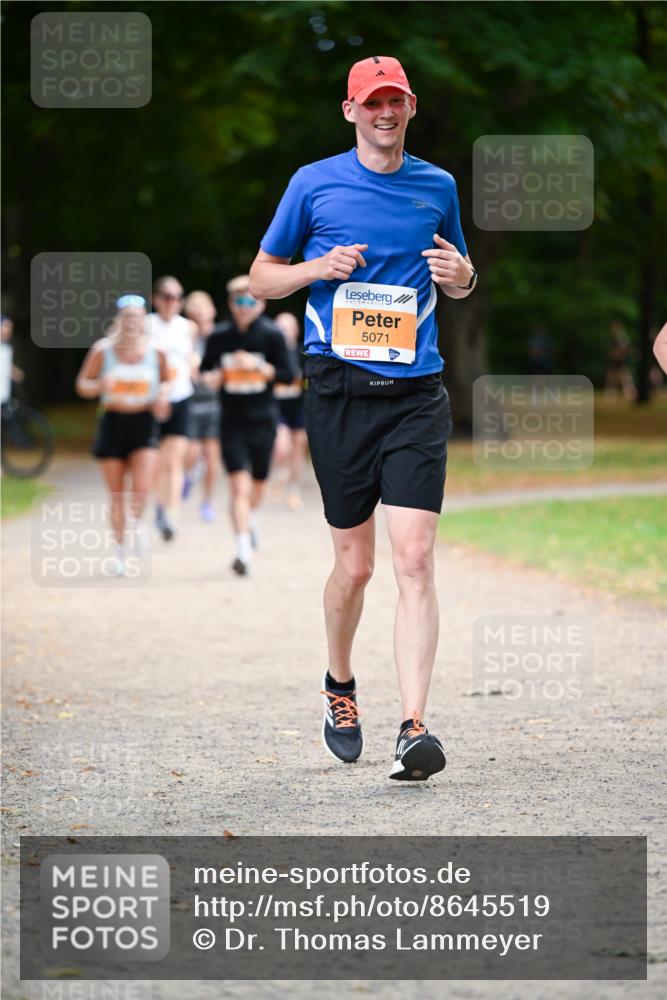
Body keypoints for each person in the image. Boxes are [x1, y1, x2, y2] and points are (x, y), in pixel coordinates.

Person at [249, 55, 477, 781]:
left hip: (416, 392)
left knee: (414, 559)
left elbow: (461, 273)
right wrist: (315, 270)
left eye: (397, 101)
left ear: (410, 107)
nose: (385, 112)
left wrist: (462, 278)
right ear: (350, 110)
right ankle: (339, 687)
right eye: (372, 102)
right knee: (356, 565)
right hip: (339, 390)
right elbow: (260, 278)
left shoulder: (436, 185)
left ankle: (413, 727)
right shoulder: (312, 184)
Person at [199, 275, 293, 576]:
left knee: (258, 485)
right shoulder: (219, 337)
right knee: (238, 485)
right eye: (239, 301)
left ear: (261, 303)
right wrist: (213, 378)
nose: (244, 307)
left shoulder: (271, 335)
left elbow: (288, 375)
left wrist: (258, 367)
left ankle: (250, 519)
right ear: (230, 304)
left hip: (263, 419)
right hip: (231, 421)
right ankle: (242, 550)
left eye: (250, 301)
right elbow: (204, 372)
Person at [75, 295, 170, 574]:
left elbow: (167, 382)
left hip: (144, 423)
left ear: (144, 320)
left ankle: (137, 523)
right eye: (127, 316)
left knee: (140, 489)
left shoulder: (157, 351)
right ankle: (118, 552)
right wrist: (98, 386)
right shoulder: (102, 350)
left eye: (137, 316)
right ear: (119, 319)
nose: (132, 322)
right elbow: (82, 384)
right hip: (113, 423)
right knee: (117, 494)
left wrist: (162, 397)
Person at [147, 276, 198, 541]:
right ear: (156, 299)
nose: (172, 302)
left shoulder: (188, 327)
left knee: (174, 460)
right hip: (152, 400)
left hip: (181, 396)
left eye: (177, 297)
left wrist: (195, 366)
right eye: (167, 297)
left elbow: (191, 358)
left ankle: (171, 516)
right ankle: (160, 503)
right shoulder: (145, 325)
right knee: (156, 461)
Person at [182, 291, 222, 522]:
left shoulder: (221, 334)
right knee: (191, 452)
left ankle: (207, 501)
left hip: (216, 401)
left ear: (212, 310)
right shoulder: (185, 334)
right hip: (191, 398)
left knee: (212, 454)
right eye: (193, 307)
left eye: (202, 306)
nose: (198, 311)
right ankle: (190, 473)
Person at [271, 312, 308, 509]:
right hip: (277, 407)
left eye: (287, 327)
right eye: (280, 327)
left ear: (296, 330)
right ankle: (280, 472)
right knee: (281, 446)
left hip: (299, 407)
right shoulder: (272, 353)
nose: (283, 332)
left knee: (298, 448)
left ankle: (294, 490)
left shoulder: (303, 352)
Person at [604, 320, 636, 400]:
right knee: (612, 376)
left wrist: (618, 354)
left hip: (621, 360)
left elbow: (626, 348)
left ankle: (629, 393)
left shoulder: (621, 336)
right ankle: (613, 393)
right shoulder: (616, 336)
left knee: (623, 377)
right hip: (617, 361)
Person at [1, 315, 25, 406]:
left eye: (10, 327)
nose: (9, 330)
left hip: (4, 395)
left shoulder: (6, 348)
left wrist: (14, 372)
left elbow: (5, 366)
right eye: (6, 326)